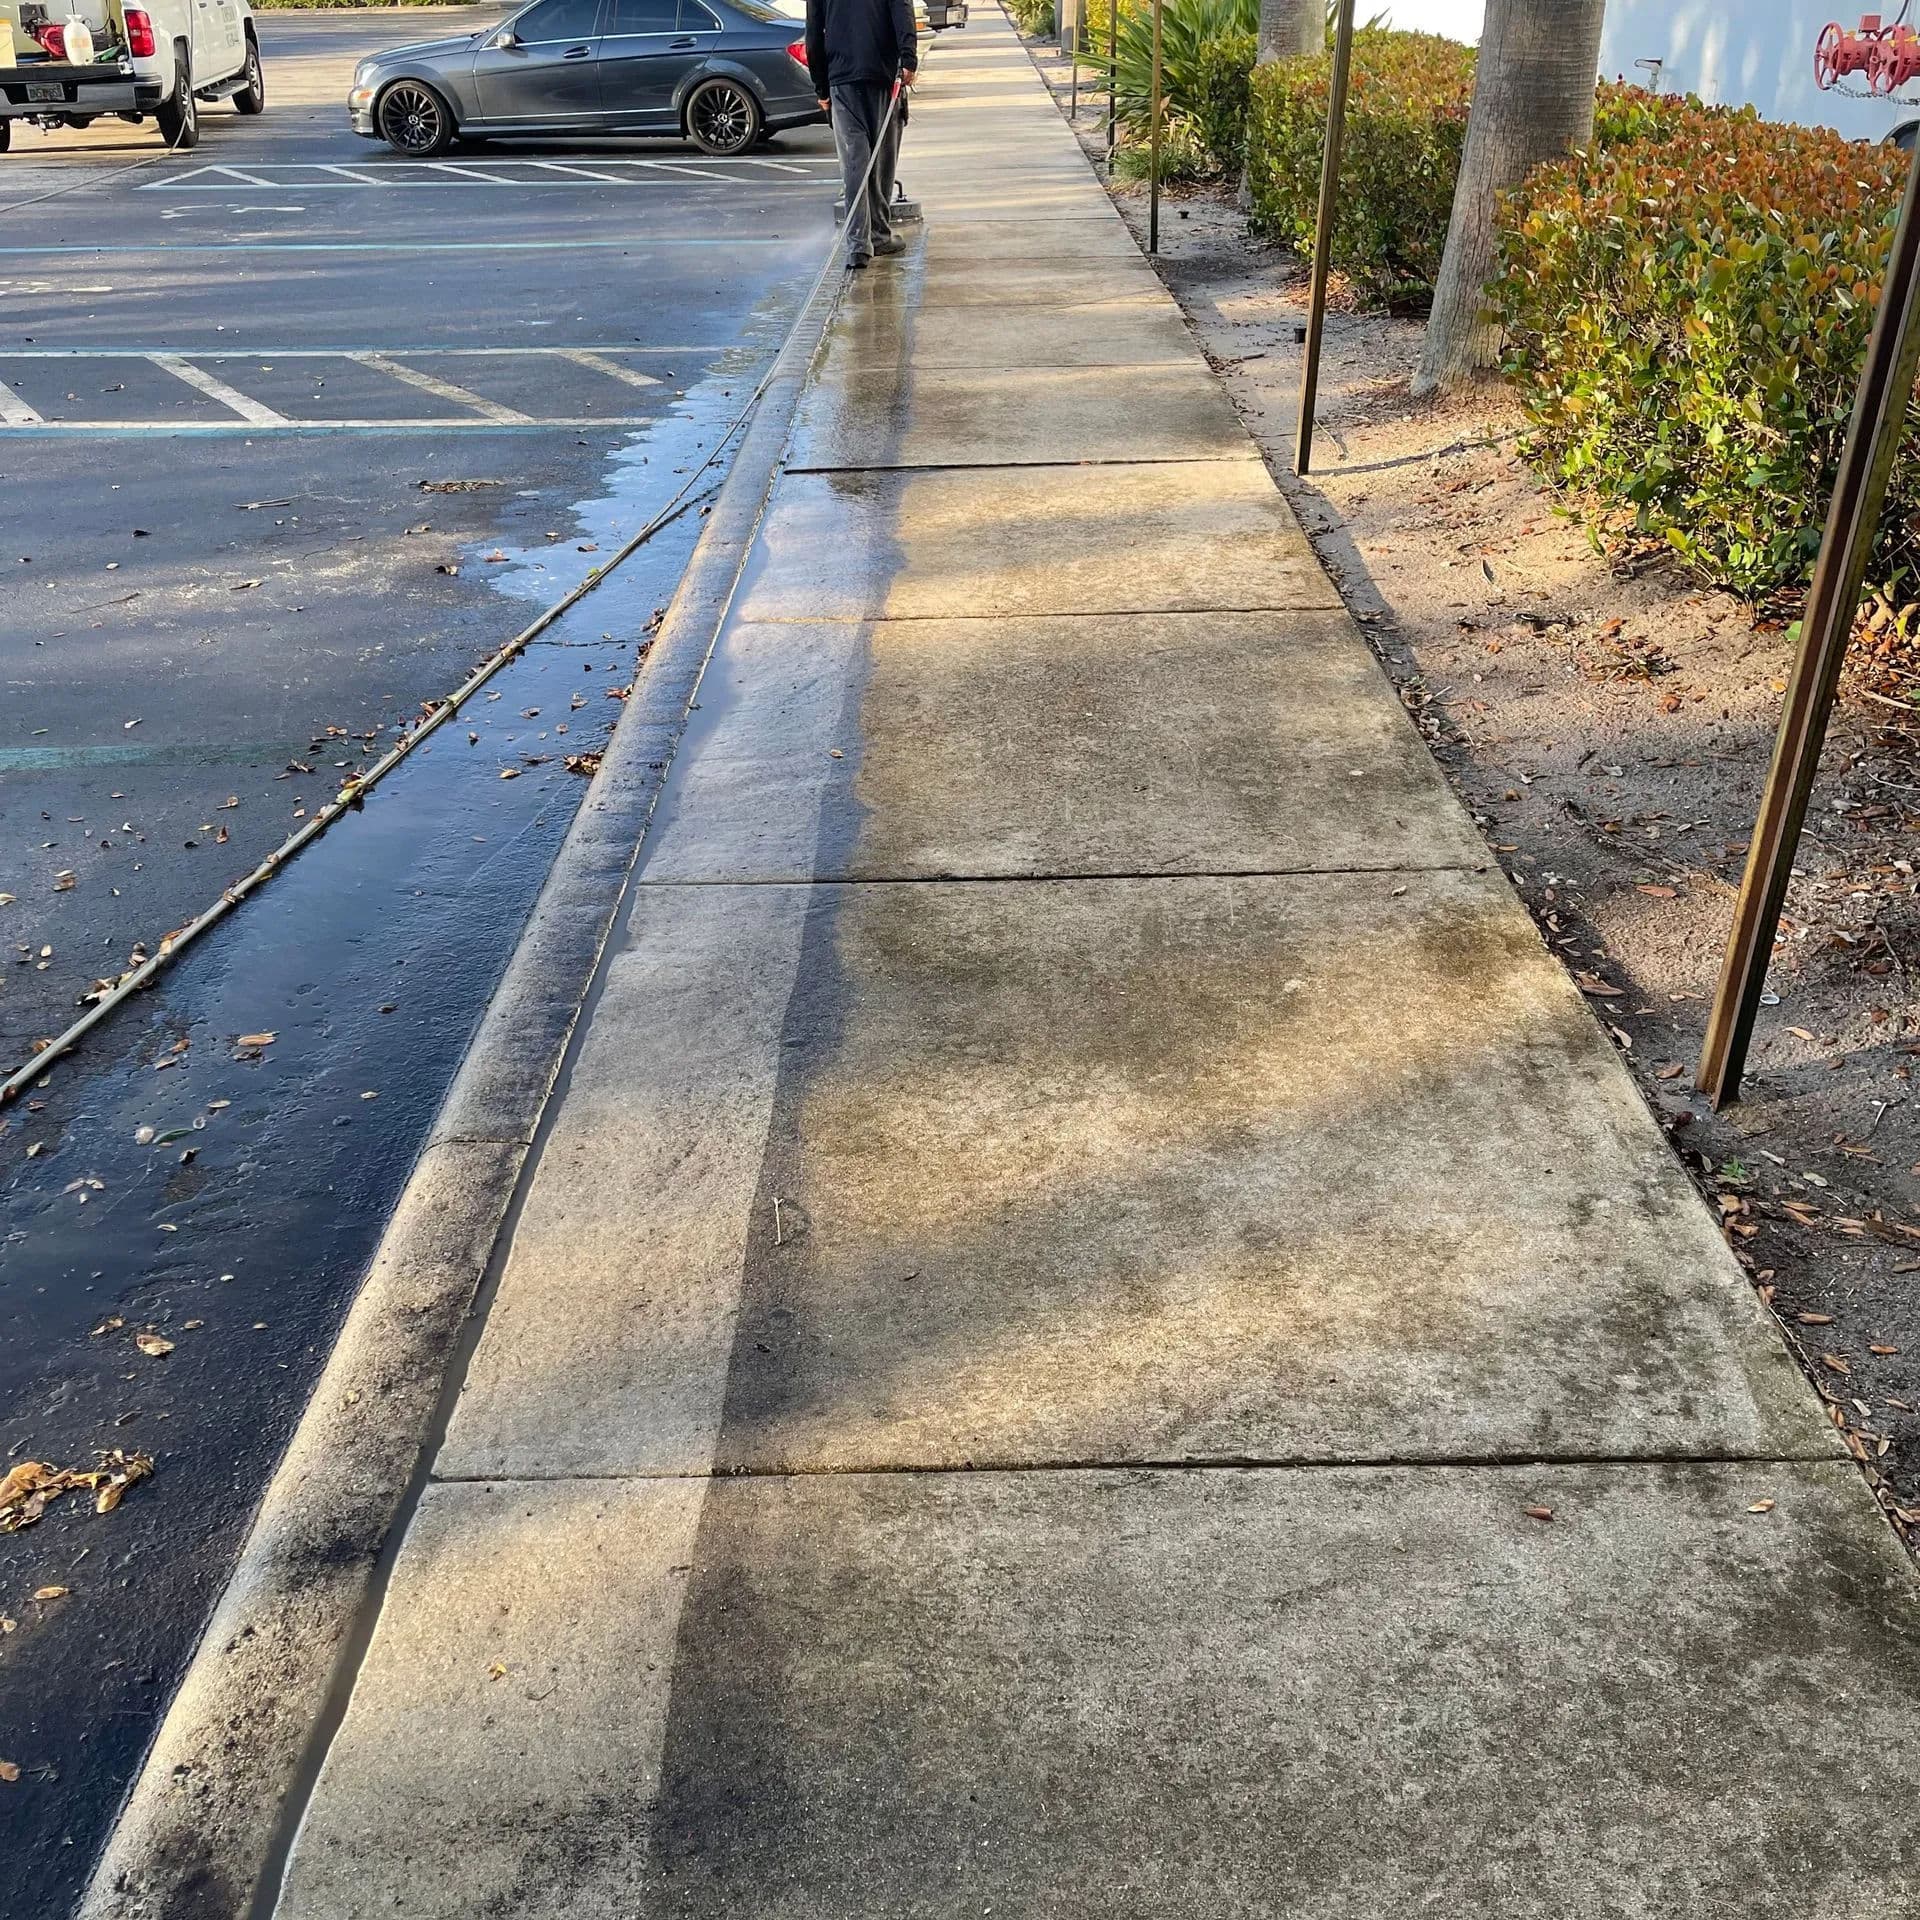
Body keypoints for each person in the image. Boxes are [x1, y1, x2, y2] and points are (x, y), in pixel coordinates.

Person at [805, 0, 917, 269]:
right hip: (882, 73)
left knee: (855, 163)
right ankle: (878, 235)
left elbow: (814, 32)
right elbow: (902, 9)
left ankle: (858, 245)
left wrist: (821, 86)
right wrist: (909, 57)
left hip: (841, 78)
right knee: (882, 157)